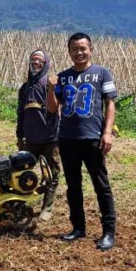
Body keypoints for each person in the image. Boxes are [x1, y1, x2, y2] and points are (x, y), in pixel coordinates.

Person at [46, 32, 118, 250]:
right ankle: (78, 228)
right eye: (75, 49)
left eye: (83, 48)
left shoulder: (101, 74)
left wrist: (106, 133)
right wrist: (51, 88)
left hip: (92, 139)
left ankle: (108, 232)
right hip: (67, 139)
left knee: (101, 185)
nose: (79, 52)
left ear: (91, 49)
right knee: (73, 187)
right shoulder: (63, 77)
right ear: (69, 52)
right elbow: (52, 108)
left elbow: (110, 104)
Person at [16, 50, 61, 221]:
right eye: (33, 60)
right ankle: (20, 204)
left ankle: (47, 208)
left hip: (50, 139)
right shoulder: (25, 88)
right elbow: (20, 113)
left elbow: (55, 109)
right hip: (31, 140)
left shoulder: (50, 84)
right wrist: (20, 136)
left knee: (51, 174)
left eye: (39, 61)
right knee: (22, 173)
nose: (35, 63)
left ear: (45, 64)